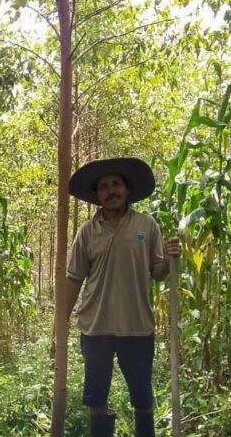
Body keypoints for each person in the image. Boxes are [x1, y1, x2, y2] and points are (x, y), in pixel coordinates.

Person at [66, 157, 181, 437]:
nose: (111, 191)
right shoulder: (87, 231)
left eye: (116, 184)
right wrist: (61, 322)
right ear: (97, 195)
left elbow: (157, 273)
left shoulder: (147, 225)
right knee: (96, 398)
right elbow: (74, 278)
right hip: (96, 327)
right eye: (104, 186)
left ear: (127, 189)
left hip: (137, 326)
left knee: (142, 398)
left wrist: (169, 260)